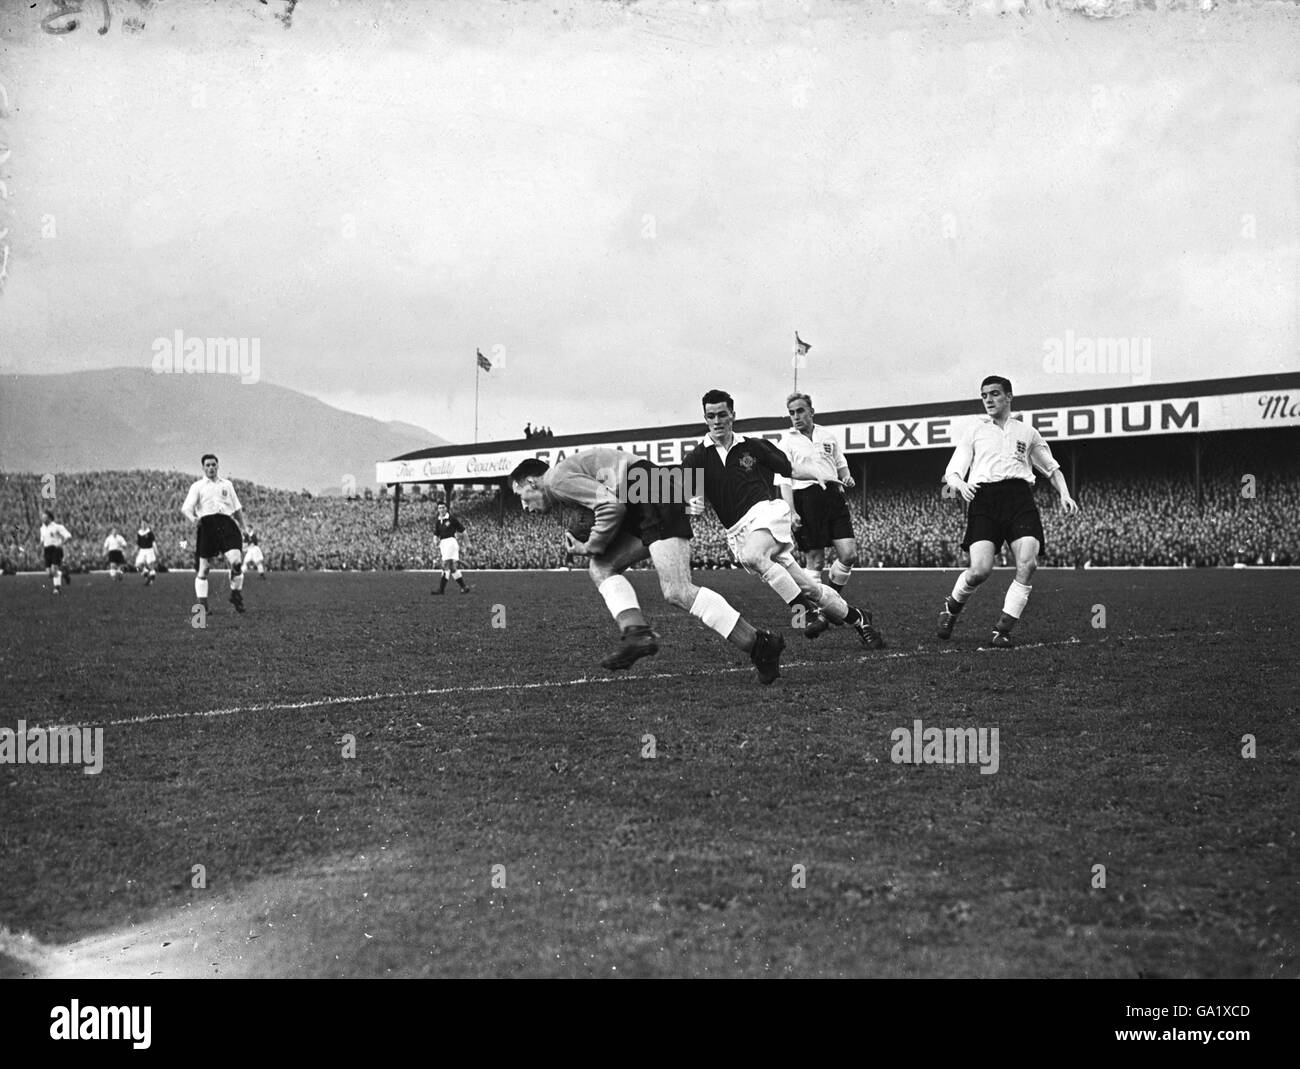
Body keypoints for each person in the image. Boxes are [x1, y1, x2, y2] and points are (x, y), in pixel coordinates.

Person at [510, 450, 787, 683]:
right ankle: (637, 633)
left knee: (677, 591)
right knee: (601, 568)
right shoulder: (564, 476)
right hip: (644, 491)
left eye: (521, 496)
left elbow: (609, 506)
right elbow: (612, 501)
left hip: (649, 488)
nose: (524, 507)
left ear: (532, 482)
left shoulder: (556, 479)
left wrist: (590, 545)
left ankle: (762, 645)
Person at [682, 390, 884, 648]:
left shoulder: (753, 446)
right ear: (705, 419)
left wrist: (814, 472)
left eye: (723, 414)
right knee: (809, 588)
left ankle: (807, 613)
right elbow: (680, 489)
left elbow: (789, 468)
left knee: (754, 556)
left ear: (733, 414)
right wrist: (690, 503)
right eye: (711, 416)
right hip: (738, 532)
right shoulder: (698, 457)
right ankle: (858, 618)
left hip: (766, 515)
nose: (717, 420)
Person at [939, 375, 1079, 647]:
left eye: (994, 394)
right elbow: (953, 470)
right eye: (984, 396)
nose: (988, 400)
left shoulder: (1027, 433)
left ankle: (1002, 629)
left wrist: (1065, 493)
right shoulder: (975, 431)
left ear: (1009, 396)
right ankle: (952, 607)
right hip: (984, 499)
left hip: (1019, 499)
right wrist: (960, 484)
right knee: (979, 570)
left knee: (1028, 563)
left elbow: (1052, 469)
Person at [778, 391, 872, 640]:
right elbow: (784, 480)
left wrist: (847, 476)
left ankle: (831, 603)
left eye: (800, 411)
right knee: (816, 561)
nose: (795, 416)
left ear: (811, 411)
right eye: (791, 412)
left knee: (849, 554)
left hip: (833, 496)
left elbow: (841, 464)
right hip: (805, 499)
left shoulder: (827, 436)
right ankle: (820, 611)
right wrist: (792, 511)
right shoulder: (786, 441)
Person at [181, 453, 248, 614]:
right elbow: (186, 508)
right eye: (207, 465)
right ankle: (202, 605)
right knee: (204, 569)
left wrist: (244, 528)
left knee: (237, 562)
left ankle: (236, 594)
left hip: (227, 524)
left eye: (213, 465)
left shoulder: (227, 485)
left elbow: (237, 508)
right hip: (207, 526)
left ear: (218, 466)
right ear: (203, 468)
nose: (211, 468)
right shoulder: (197, 486)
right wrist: (193, 519)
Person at [431, 502, 471, 594]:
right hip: (443, 544)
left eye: (443, 507)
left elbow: (463, 530)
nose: (441, 509)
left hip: (450, 542)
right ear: (438, 510)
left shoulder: (451, 519)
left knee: (445, 565)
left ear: (446, 508)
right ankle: (464, 587)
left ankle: (441, 590)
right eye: (439, 508)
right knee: (452, 567)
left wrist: (468, 543)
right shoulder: (438, 521)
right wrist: (435, 541)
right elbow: (436, 533)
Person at [39, 510, 72, 595]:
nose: (42, 519)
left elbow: (68, 536)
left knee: (54, 570)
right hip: (47, 550)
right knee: (49, 573)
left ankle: (57, 589)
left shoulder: (57, 527)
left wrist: (61, 544)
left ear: (49, 518)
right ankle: (64, 573)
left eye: (44, 517)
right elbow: (42, 539)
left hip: (56, 549)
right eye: (42, 517)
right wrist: (40, 546)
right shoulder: (42, 528)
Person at [135, 519, 159, 584]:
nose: (143, 525)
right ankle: (145, 572)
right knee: (138, 565)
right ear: (140, 525)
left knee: (150, 565)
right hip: (142, 551)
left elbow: (153, 543)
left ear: (147, 524)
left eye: (144, 524)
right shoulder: (139, 532)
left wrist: (156, 550)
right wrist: (135, 551)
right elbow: (138, 543)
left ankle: (151, 580)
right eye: (142, 524)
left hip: (149, 550)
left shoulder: (150, 533)